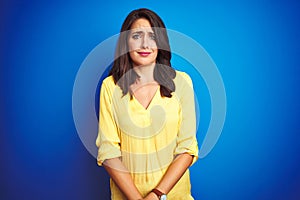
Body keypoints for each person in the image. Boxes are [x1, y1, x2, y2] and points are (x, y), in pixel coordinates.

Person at [96, 8, 198, 200]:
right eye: (136, 36)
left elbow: (187, 148)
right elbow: (109, 152)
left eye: (152, 36)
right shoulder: (110, 87)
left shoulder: (182, 83)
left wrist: (157, 195)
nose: (145, 44)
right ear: (126, 42)